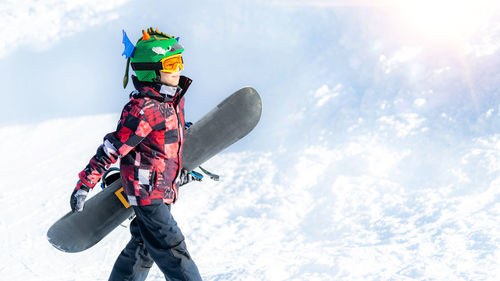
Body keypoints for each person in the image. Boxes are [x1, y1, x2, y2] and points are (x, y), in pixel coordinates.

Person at [69, 27, 203, 281]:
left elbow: (164, 150)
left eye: (180, 61)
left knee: (143, 248)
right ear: (151, 71)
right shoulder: (144, 109)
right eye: (171, 63)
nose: (178, 69)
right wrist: (85, 183)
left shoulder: (171, 104)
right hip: (147, 194)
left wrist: (179, 175)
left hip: (161, 190)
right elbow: (112, 148)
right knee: (173, 250)